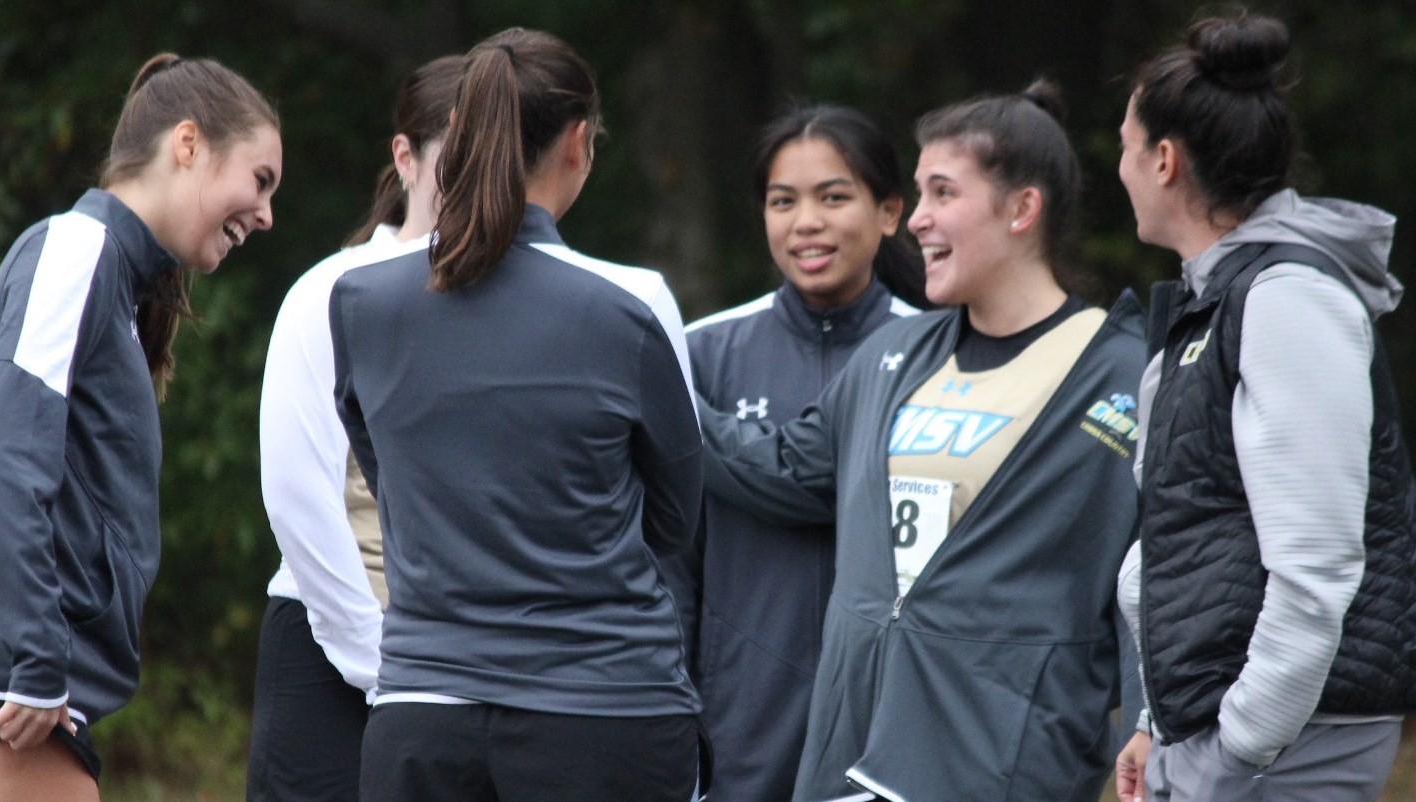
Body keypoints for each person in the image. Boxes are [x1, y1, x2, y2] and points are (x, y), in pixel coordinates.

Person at [699, 82, 1144, 801]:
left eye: (942, 194)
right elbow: (783, 468)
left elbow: (1149, 579)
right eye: (920, 193)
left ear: (1023, 209)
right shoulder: (896, 353)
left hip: (1001, 763)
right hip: (856, 754)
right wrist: (649, 381)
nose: (920, 221)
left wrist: (1147, 721)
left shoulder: (1119, 371)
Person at [0, 54, 280, 802]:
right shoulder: (75, 250)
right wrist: (36, 659)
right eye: (260, 180)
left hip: (6, 684)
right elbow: (2, 459)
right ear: (187, 144)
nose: (266, 215)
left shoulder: (117, 282)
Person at [328, 28, 703, 802]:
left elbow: (385, 479)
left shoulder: (362, 303)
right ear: (577, 143)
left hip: (421, 714)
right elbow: (675, 518)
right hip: (603, 710)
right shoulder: (621, 312)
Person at [1109, 12, 1416, 802]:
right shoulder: (1216, 303)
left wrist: (1232, 752)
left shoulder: (1287, 300)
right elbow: (1182, 540)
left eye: (1127, 146)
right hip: (1221, 729)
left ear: (1165, 161)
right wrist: (1156, 720)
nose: (1120, 167)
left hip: (1288, 741)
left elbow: (1315, 569)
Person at [665, 105, 925, 801]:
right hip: (738, 727)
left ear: (890, 211)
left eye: (833, 196)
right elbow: (671, 557)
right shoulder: (701, 353)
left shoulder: (937, 353)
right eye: (783, 202)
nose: (805, 221)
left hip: (893, 730)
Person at [249, 54, 461, 802]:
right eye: (458, 159)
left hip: (473, 672)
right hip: (336, 652)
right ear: (405, 157)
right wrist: (382, 668)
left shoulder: (531, 302)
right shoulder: (329, 293)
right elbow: (299, 500)